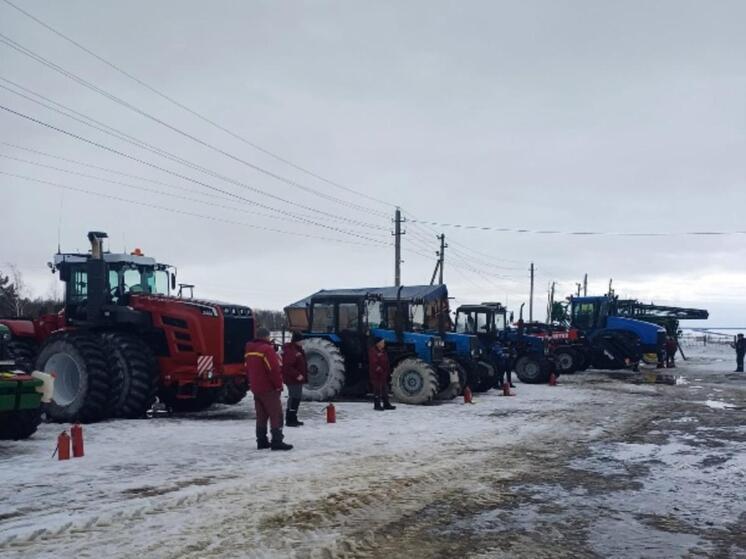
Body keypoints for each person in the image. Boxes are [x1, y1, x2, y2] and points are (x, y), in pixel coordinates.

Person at [244, 327, 292, 451]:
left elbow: (247, 369)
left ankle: (261, 440)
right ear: (266, 337)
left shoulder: (249, 350)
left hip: (256, 388)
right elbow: (273, 370)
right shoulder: (267, 350)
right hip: (269, 388)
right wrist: (278, 385)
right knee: (276, 415)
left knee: (261, 416)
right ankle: (277, 440)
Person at [282, 332, 307, 427]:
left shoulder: (298, 350)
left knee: (297, 398)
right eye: (301, 340)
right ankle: (289, 419)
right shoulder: (291, 351)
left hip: (297, 380)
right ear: (297, 341)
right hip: (292, 379)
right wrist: (297, 375)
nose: (303, 342)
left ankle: (293, 417)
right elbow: (287, 367)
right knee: (293, 398)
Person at [368, 337, 396, 411]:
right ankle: (377, 405)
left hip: (383, 373)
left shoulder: (383, 351)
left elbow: (386, 361)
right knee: (377, 389)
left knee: (385, 389)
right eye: (382, 342)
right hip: (376, 374)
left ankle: (386, 403)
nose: (384, 344)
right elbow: (374, 363)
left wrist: (388, 370)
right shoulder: (373, 351)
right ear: (378, 344)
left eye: (383, 342)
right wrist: (379, 369)